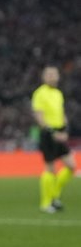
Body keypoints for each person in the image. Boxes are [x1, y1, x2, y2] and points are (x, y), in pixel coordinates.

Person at [32, 65, 75, 213]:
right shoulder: (40, 93)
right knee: (50, 168)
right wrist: (53, 132)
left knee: (71, 166)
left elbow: (62, 114)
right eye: (49, 74)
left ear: (58, 76)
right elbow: (39, 116)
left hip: (60, 132)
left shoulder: (58, 93)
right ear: (44, 77)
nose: (52, 77)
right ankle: (46, 203)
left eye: (54, 74)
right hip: (48, 134)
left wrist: (65, 131)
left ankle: (54, 194)